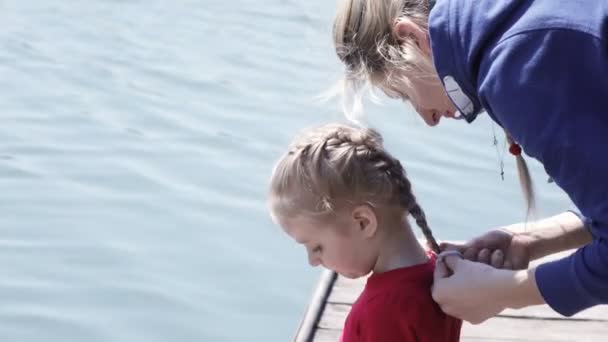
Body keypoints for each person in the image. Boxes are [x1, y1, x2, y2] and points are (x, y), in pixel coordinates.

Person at [332, 0, 607, 323]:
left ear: (411, 39)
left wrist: (505, 292)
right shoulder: (521, 24)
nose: (428, 119)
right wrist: (533, 241)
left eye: (405, 94)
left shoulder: (520, 66)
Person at [268, 123, 461, 341]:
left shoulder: (383, 312)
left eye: (316, 247)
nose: (313, 260)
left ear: (363, 222)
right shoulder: (438, 271)